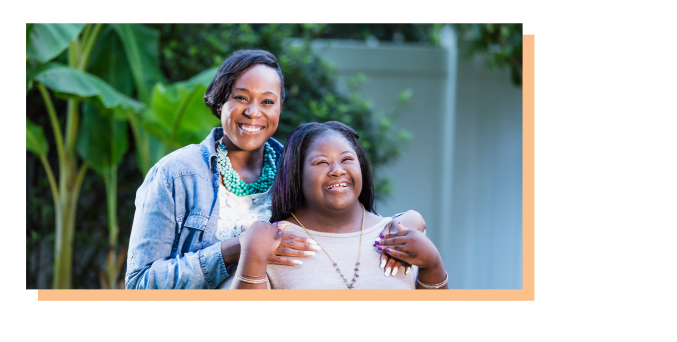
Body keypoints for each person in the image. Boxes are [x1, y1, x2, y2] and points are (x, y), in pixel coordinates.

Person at [125, 50, 320, 289]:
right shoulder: (175, 174)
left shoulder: (299, 174)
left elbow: (345, 230)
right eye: (241, 98)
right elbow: (140, 283)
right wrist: (233, 249)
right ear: (220, 102)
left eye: (267, 101)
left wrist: (380, 239)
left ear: (279, 108)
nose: (253, 112)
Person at [230, 121, 449, 289]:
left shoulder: (398, 235)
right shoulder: (272, 244)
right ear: (296, 174)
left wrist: (433, 264)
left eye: (347, 159)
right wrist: (254, 256)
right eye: (321, 162)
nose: (337, 170)